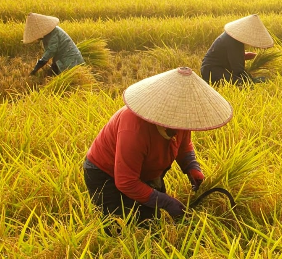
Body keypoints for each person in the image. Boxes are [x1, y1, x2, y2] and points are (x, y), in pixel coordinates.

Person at [84, 67, 233, 224]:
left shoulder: (182, 119)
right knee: (123, 226)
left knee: (152, 219)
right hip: (105, 173)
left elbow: (184, 144)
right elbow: (126, 181)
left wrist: (191, 166)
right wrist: (166, 202)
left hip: (145, 170)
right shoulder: (134, 128)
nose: (181, 129)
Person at [201, 15, 273, 85]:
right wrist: (250, 80)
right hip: (212, 72)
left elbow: (231, 56)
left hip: (217, 68)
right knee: (242, 82)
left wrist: (255, 57)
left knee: (244, 81)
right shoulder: (233, 42)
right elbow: (238, 69)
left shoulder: (233, 38)